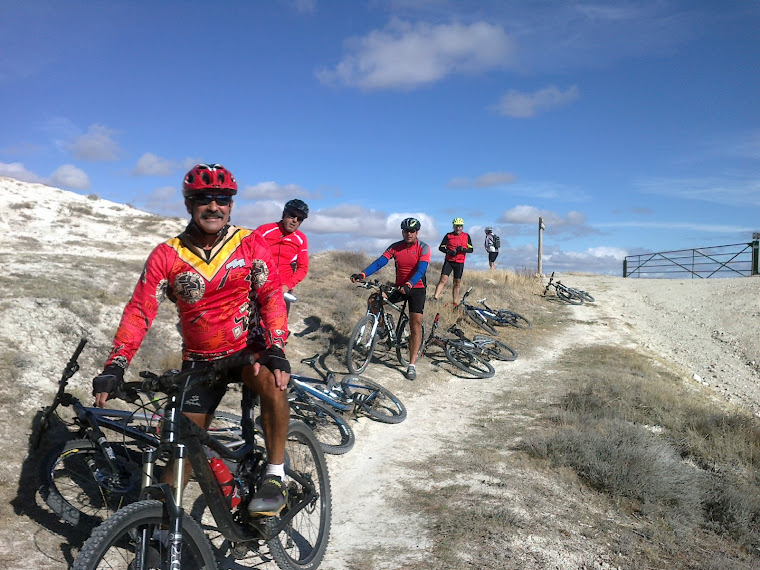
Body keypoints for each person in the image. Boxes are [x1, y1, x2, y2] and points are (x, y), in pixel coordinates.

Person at [91, 163, 292, 517]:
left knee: (274, 383)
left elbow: (272, 295)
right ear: (188, 205)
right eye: (203, 199)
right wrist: (115, 365)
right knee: (183, 453)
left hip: (248, 351)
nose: (213, 206)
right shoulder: (167, 254)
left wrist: (276, 346)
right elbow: (140, 311)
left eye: (221, 199)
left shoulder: (250, 243)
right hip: (201, 360)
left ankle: (276, 476)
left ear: (231, 205)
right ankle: (162, 527)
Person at [349, 217, 430, 380]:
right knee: (374, 299)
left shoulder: (423, 247)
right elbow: (380, 262)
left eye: (412, 231)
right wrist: (363, 274)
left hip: (417, 288)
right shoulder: (395, 247)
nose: (409, 234)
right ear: (402, 232)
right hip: (400, 287)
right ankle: (381, 328)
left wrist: (410, 283)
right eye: (406, 231)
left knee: (415, 324)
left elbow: (421, 270)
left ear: (417, 233)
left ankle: (412, 365)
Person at [256, 199, 310, 314]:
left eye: (299, 219)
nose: (295, 221)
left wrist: (287, 285)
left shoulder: (301, 239)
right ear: (284, 214)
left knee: (279, 329)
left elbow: (303, 268)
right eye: (292, 215)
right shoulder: (264, 230)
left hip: (283, 290)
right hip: (259, 286)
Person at [433, 217, 473, 304]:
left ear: (462, 227)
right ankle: (435, 298)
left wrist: (462, 249)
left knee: (457, 282)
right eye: (456, 226)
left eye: (460, 226)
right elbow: (441, 247)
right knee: (443, 279)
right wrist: (448, 251)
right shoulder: (448, 236)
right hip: (449, 261)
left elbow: (471, 249)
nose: (458, 228)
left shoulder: (466, 236)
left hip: (460, 262)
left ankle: (455, 302)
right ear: (453, 226)